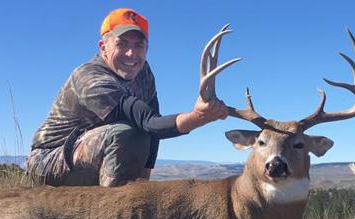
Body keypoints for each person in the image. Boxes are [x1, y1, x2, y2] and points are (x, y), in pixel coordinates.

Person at [27, 8, 228, 187]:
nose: (131, 54)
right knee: (127, 133)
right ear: (103, 47)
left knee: (135, 134)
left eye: (139, 46)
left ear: (146, 49)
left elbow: (154, 127)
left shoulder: (144, 74)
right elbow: (149, 123)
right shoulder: (90, 77)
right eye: (121, 44)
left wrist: (146, 174)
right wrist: (198, 117)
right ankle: (113, 218)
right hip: (49, 161)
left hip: (92, 154)